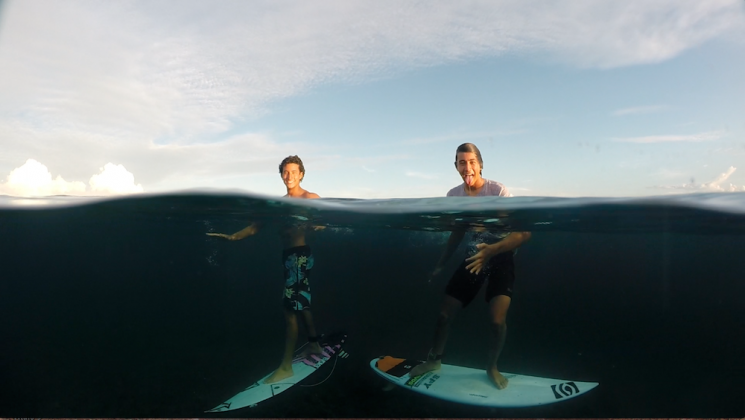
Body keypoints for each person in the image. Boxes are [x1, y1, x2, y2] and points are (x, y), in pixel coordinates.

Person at [409, 143, 531, 389]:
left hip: (501, 254)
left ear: (481, 164)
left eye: (472, 161)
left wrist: (493, 250)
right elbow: (457, 232)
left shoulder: (497, 191)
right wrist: (440, 265)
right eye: (462, 162)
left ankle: (492, 366)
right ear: (455, 166)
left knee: (497, 321)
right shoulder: (453, 196)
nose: (468, 167)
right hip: (475, 254)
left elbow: (524, 233)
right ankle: (434, 360)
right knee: (444, 314)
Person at [207, 155, 324, 384]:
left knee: (289, 309)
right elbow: (254, 227)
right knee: (300, 302)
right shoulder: (279, 205)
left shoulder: (310, 198)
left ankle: (286, 367)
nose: (289, 176)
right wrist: (232, 237)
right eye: (285, 172)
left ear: (301, 174)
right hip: (289, 258)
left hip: (299, 257)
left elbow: (323, 221)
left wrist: (318, 225)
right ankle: (314, 343)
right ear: (281, 175)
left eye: (293, 172)